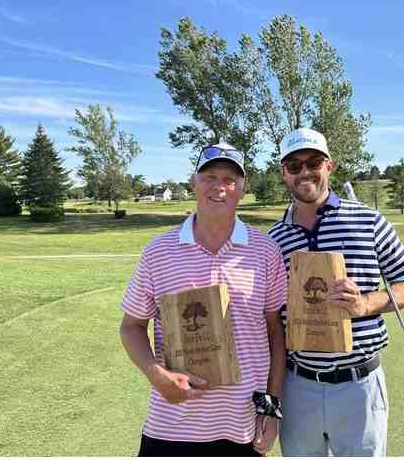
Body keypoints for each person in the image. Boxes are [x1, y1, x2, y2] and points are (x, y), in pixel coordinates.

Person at [120, 142, 287, 457]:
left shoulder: (266, 251)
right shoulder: (158, 252)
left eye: (229, 179)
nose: (219, 187)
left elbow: (275, 333)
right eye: (209, 176)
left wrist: (270, 408)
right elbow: (131, 326)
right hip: (171, 427)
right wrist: (158, 376)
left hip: (242, 428)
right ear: (193, 182)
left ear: (242, 187)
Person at [268, 128, 404, 457]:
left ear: (329, 165)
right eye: (294, 166)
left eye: (313, 162)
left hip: (359, 384)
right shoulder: (273, 239)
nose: (304, 171)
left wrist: (366, 303)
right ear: (283, 173)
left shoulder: (369, 220)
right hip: (298, 386)